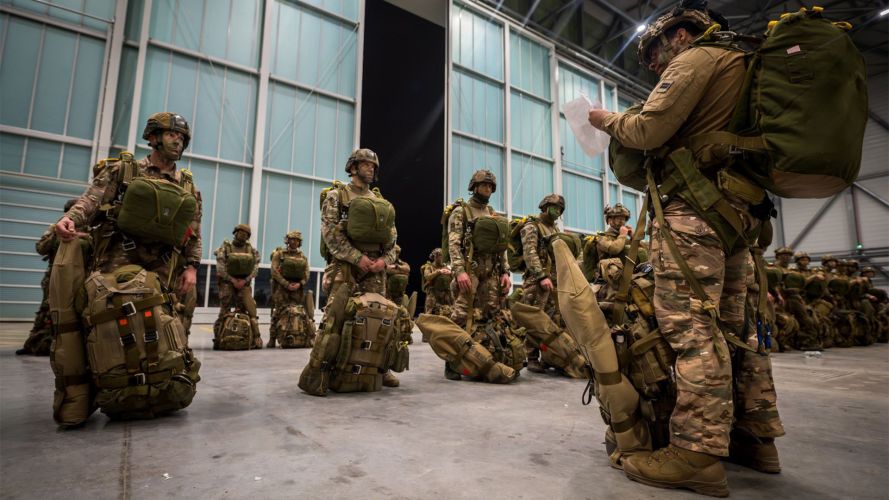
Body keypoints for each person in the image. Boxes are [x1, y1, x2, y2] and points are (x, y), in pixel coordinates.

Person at [588, 4, 784, 495]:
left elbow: (648, 130)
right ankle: (754, 439)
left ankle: (697, 454)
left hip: (697, 214)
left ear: (678, 34)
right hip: (741, 216)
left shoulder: (698, 57)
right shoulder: (744, 61)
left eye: (654, 53)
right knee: (737, 330)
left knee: (692, 330)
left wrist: (603, 119)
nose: (654, 66)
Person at [54, 111, 202, 420]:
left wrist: (192, 267)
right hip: (117, 261)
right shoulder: (124, 172)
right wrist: (70, 219)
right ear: (152, 138)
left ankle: (159, 388)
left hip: (164, 269)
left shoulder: (188, 186)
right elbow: (90, 201)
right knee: (104, 324)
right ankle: (100, 387)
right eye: (171, 134)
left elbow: (193, 232)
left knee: (164, 328)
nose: (178, 140)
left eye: (182, 137)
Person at [312, 148, 401, 390]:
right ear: (353, 167)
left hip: (376, 271)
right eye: (365, 164)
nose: (370, 168)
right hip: (345, 268)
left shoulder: (379, 202)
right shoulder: (337, 197)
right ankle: (321, 370)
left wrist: (384, 261)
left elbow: (393, 239)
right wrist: (357, 258)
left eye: (373, 165)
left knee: (379, 318)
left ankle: (381, 370)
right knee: (335, 319)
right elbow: (330, 234)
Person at [445, 169, 511, 380]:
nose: (488, 189)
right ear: (474, 186)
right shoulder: (461, 212)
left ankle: (482, 356)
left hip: (491, 271)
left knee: (491, 313)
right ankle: (452, 361)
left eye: (491, 186)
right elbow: (454, 244)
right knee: (461, 315)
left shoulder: (492, 213)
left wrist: (505, 272)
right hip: (470, 270)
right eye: (484, 185)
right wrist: (459, 271)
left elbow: (502, 247)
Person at [17, 199, 81, 356]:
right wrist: (56, 234)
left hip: (75, 276)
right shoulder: (55, 229)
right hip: (53, 276)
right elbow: (41, 248)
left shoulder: (88, 229)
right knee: (45, 311)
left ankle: (62, 346)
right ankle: (34, 344)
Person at [518, 194, 565, 373]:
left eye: (560, 209)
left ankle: (547, 356)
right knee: (534, 318)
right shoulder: (532, 226)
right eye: (555, 207)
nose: (557, 211)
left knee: (551, 319)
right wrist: (540, 276)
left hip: (553, 281)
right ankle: (531, 357)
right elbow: (530, 253)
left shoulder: (554, 228)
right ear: (544, 206)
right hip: (537, 281)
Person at [214, 224, 262, 349]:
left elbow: (255, 268)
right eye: (241, 232)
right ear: (235, 233)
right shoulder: (225, 248)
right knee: (224, 311)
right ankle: (219, 339)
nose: (243, 235)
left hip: (244, 284)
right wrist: (232, 280)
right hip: (227, 283)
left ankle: (248, 339)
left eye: (246, 233)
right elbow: (220, 267)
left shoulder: (252, 250)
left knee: (246, 311)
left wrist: (244, 280)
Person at [269, 231, 313, 348]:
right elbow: (274, 271)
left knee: (299, 312)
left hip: (298, 289)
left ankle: (302, 337)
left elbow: (307, 273)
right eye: (292, 239)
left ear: (299, 242)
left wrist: (300, 284)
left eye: (296, 240)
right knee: (278, 312)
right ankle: (272, 338)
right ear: (287, 241)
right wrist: (286, 284)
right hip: (281, 288)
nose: (294, 241)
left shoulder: (302, 256)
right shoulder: (279, 254)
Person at [420, 248, 454, 317]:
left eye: (441, 255)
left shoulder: (447, 266)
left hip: (446, 294)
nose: (439, 257)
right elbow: (427, 276)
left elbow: (454, 276)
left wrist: (451, 272)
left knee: (449, 313)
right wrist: (438, 272)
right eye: (437, 255)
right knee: (430, 315)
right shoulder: (429, 267)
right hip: (434, 294)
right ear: (434, 257)